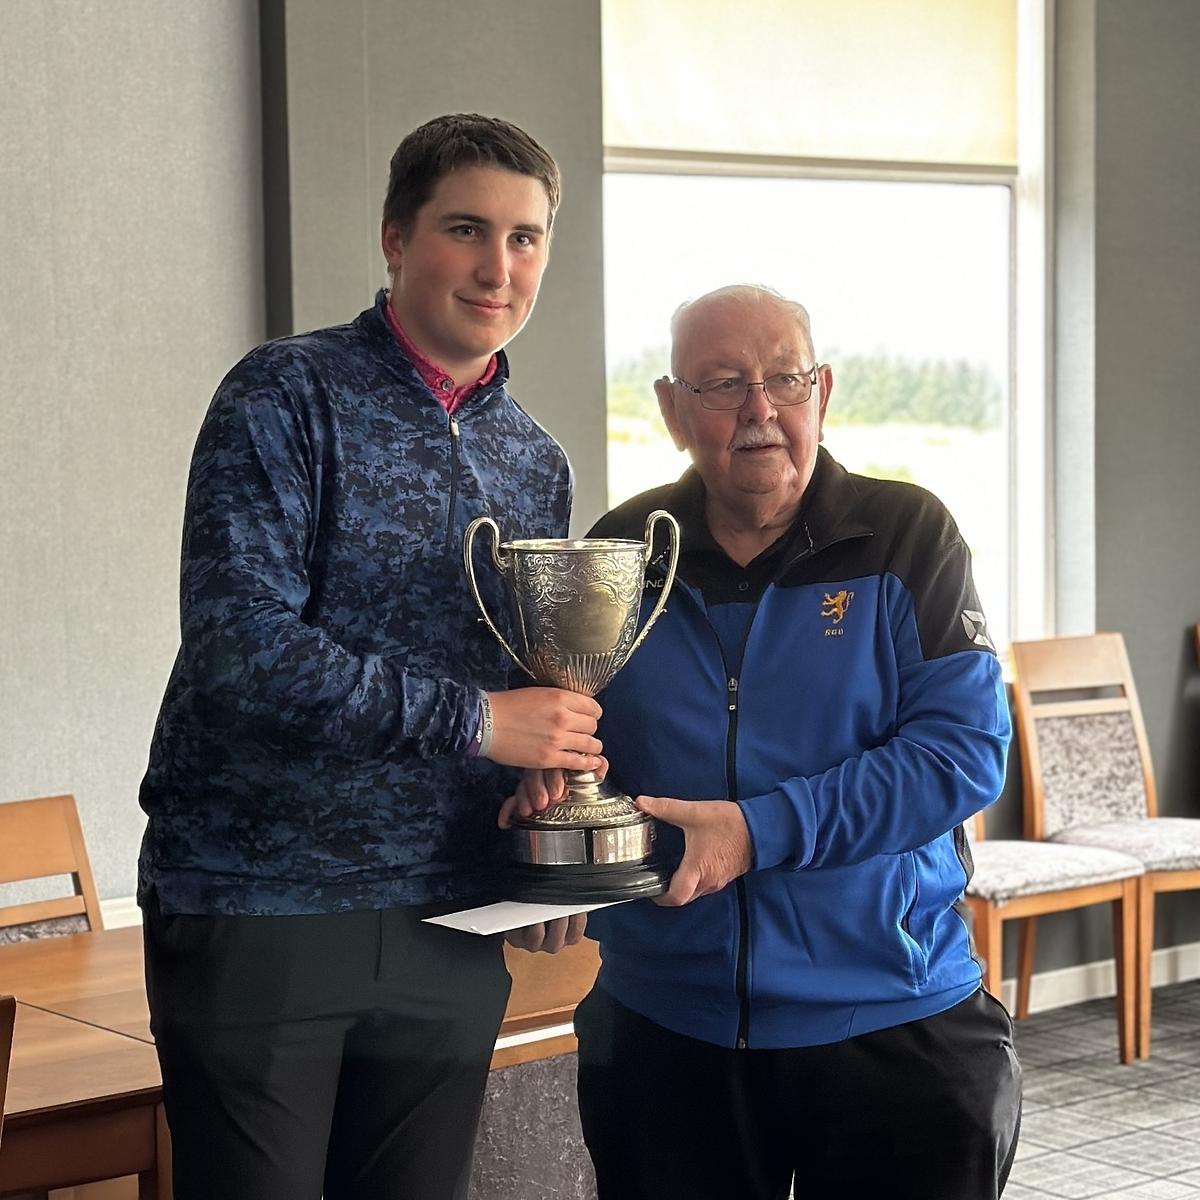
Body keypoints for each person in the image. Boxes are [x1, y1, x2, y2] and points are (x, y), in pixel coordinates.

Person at [138, 113, 595, 1200]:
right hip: (263, 903)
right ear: (395, 238)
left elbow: (526, 682)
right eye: (467, 229)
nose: (499, 267)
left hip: (448, 912)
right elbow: (240, 647)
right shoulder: (282, 395)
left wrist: (549, 773)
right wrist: (482, 724)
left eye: (526, 238)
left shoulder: (536, 461)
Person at [506, 284, 1022, 1199]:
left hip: (895, 1026)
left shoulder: (908, 538)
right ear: (671, 410)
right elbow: (577, 745)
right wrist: (549, 816)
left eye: (783, 379)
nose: (759, 410)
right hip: (663, 1031)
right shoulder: (625, 551)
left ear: (822, 391)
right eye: (720, 384)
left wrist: (755, 830)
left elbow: (964, 753)